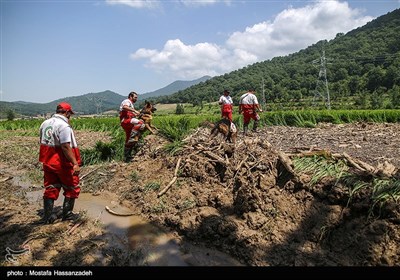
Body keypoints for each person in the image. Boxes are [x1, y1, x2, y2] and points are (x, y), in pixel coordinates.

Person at [39, 102, 81, 224]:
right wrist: (75, 163)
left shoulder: (45, 123)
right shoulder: (64, 126)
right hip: (62, 163)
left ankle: (48, 217)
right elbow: (65, 146)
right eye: (70, 114)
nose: (70, 117)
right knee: (72, 187)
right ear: (67, 113)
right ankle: (67, 215)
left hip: (48, 161)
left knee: (51, 186)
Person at [119, 91, 145, 162]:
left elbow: (132, 113)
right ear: (131, 97)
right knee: (141, 123)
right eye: (135, 97)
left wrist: (137, 114)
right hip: (126, 120)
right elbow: (125, 107)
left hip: (127, 122)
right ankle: (134, 138)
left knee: (128, 140)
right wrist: (135, 111)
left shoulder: (131, 105)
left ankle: (126, 157)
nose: (136, 99)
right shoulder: (127, 101)